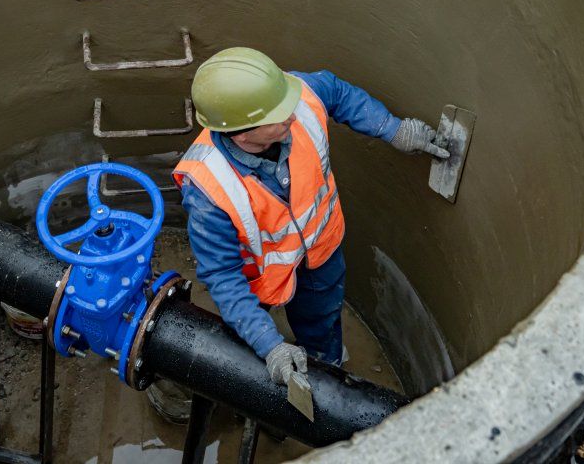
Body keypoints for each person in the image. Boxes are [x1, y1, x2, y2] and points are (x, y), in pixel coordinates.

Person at [172, 47, 448, 387]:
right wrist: (270, 346)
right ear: (243, 134)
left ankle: (326, 371)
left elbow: (338, 93)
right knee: (249, 348)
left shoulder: (294, 96)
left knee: (322, 327)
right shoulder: (209, 189)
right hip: (259, 280)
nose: (293, 113)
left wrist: (394, 129)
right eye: (279, 115)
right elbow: (224, 276)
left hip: (320, 253)